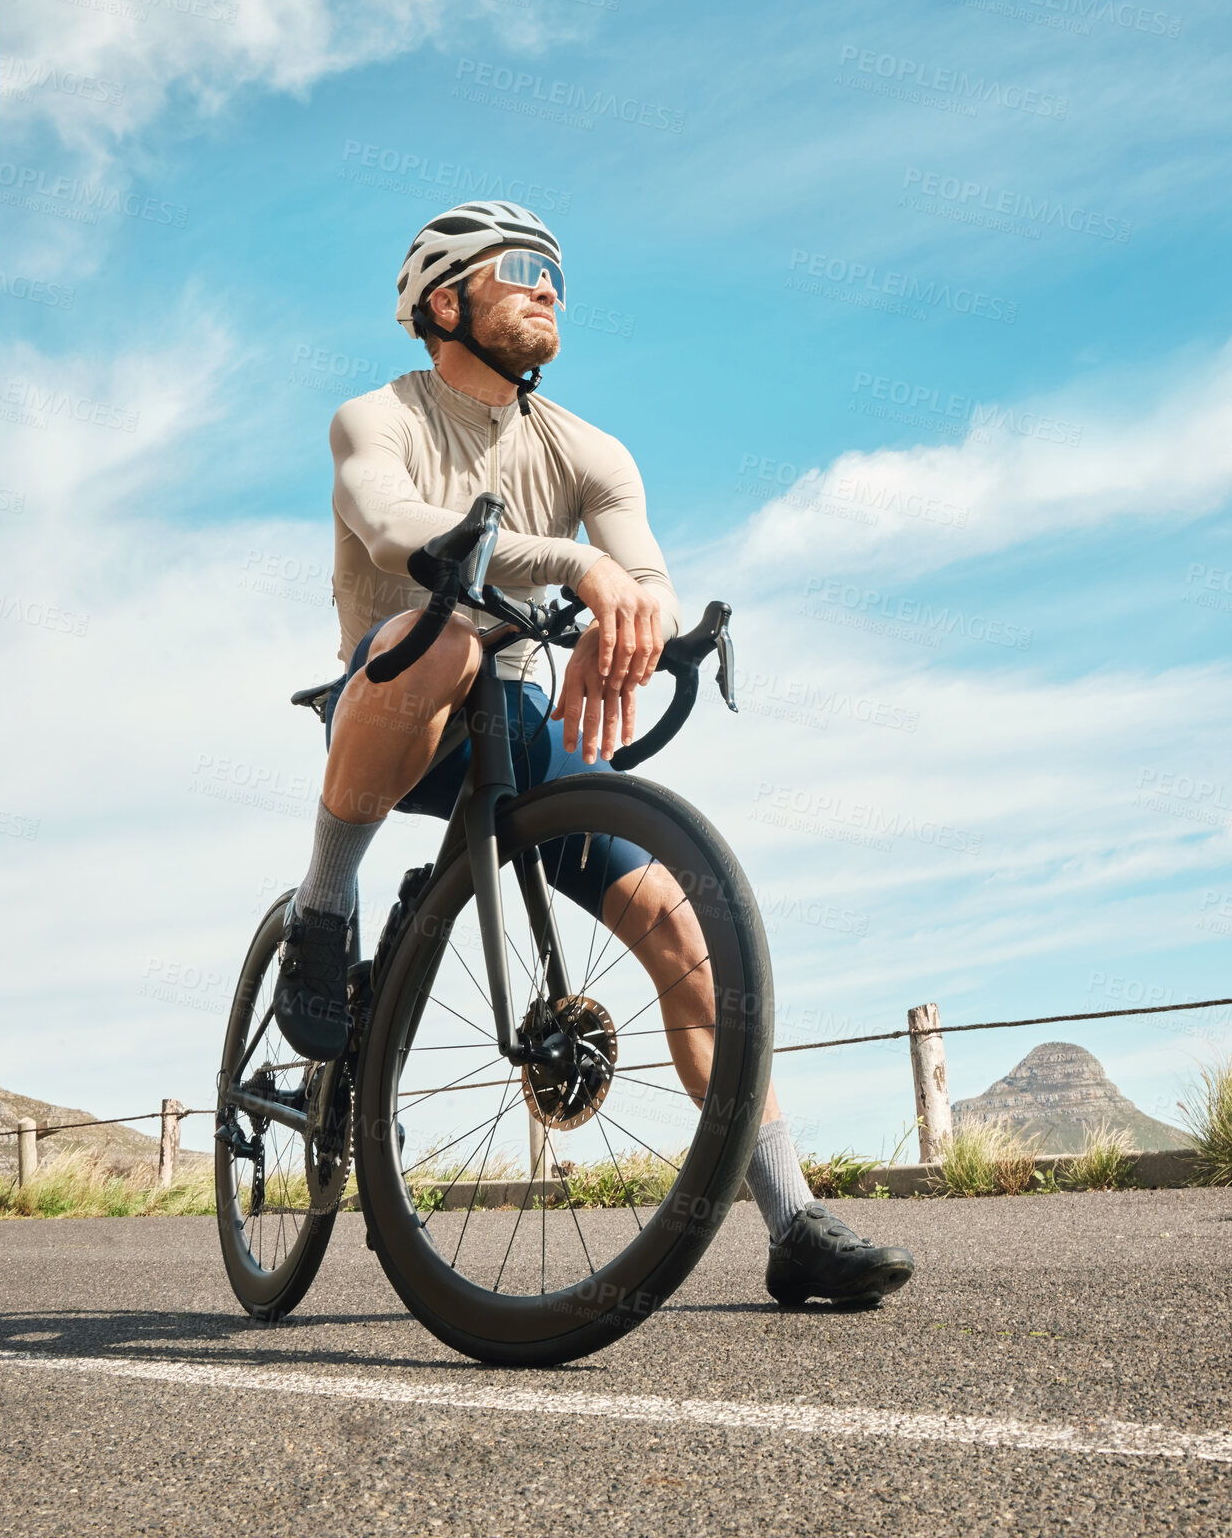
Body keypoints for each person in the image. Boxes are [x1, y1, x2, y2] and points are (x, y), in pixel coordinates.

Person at [272, 200, 914, 1307]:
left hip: (523, 731)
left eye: (560, 273)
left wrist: (644, 625)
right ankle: (324, 905)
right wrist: (573, 572)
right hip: (397, 697)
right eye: (519, 269)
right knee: (446, 640)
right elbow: (390, 529)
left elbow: (647, 576)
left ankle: (792, 1218)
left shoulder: (591, 449)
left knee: (681, 925)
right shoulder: (374, 416)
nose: (548, 287)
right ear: (444, 300)